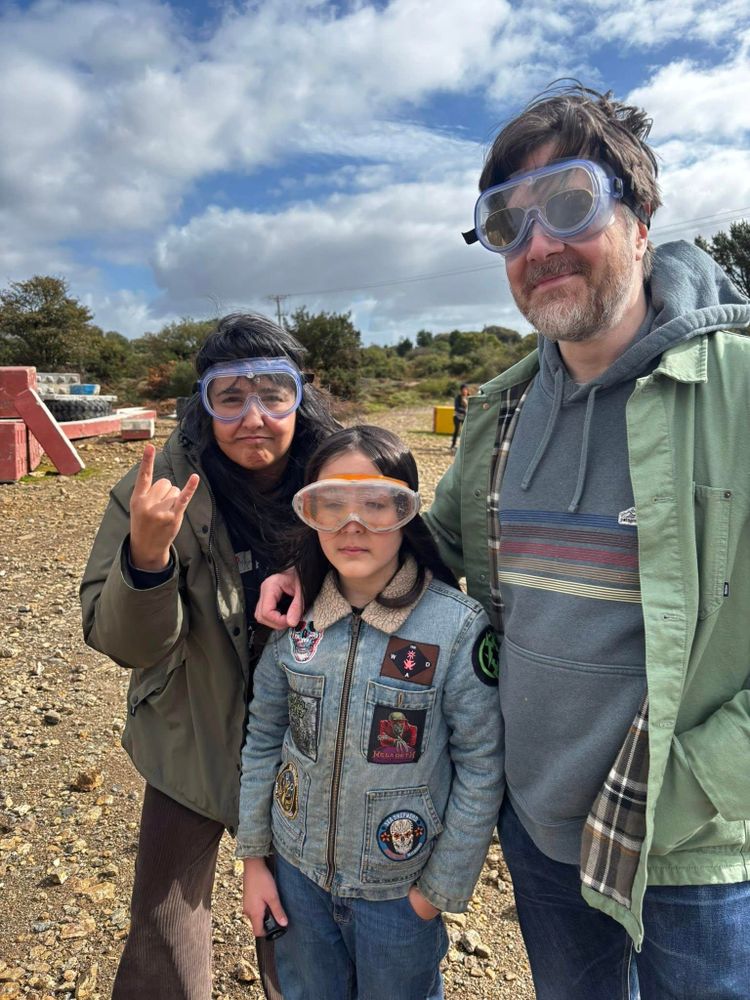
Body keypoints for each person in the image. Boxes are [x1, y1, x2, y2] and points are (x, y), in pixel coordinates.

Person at [257, 84, 750, 999]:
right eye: (507, 225)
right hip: (541, 833)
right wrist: (302, 561)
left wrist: (725, 774)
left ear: (641, 218)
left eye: (569, 204)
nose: (539, 246)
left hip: (699, 844)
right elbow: (429, 548)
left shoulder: (739, 388)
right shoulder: (500, 414)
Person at [79, 313, 339, 1000]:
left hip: (305, 742)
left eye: (272, 394)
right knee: (165, 927)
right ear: (204, 403)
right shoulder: (161, 488)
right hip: (189, 731)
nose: (253, 417)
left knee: (300, 925)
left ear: (299, 395)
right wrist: (146, 555)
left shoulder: (341, 475)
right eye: (230, 397)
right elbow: (122, 641)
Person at [238, 425, 504, 1000]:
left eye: (377, 504)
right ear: (309, 513)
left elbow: (482, 766)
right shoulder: (295, 616)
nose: (351, 524)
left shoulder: (455, 628)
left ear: (407, 511)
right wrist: (255, 862)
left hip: (399, 892)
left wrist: (435, 893)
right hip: (295, 878)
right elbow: (263, 737)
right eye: (330, 504)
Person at [450, 383, 469, 451]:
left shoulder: (469, 398)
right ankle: (453, 445)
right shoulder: (458, 398)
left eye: (465, 389)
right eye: (463, 390)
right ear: (461, 390)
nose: (464, 391)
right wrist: (464, 411)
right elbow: (457, 407)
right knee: (457, 430)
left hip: (465, 417)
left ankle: (463, 446)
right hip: (457, 416)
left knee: (465, 431)